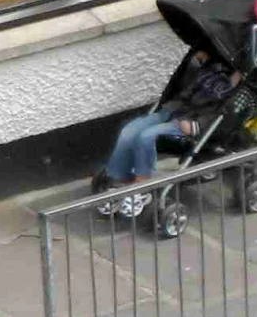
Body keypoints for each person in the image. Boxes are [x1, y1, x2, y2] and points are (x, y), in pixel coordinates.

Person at [89, 51, 239, 212]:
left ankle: (141, 187)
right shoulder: (209, 67)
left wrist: (196, 123)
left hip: (188, 121)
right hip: (172, 109)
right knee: (129, 131)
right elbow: (182, 86)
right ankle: (120, 179)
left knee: (146, 136)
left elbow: (219, 109)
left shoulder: (229, 87)